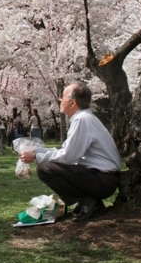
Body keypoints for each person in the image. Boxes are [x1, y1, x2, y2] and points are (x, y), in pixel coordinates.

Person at [19, 81, 121, 222]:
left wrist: (37, 155)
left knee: (45, 168)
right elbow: (68, 151)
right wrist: (38, 150)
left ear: (72, 103)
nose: (60, 100)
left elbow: (68, 157)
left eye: (63, 97)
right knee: (47, 164)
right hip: (101, 177)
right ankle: (87, 202)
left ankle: (90, 204)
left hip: (103, 180)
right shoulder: (84, 118)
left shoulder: (81, 120)